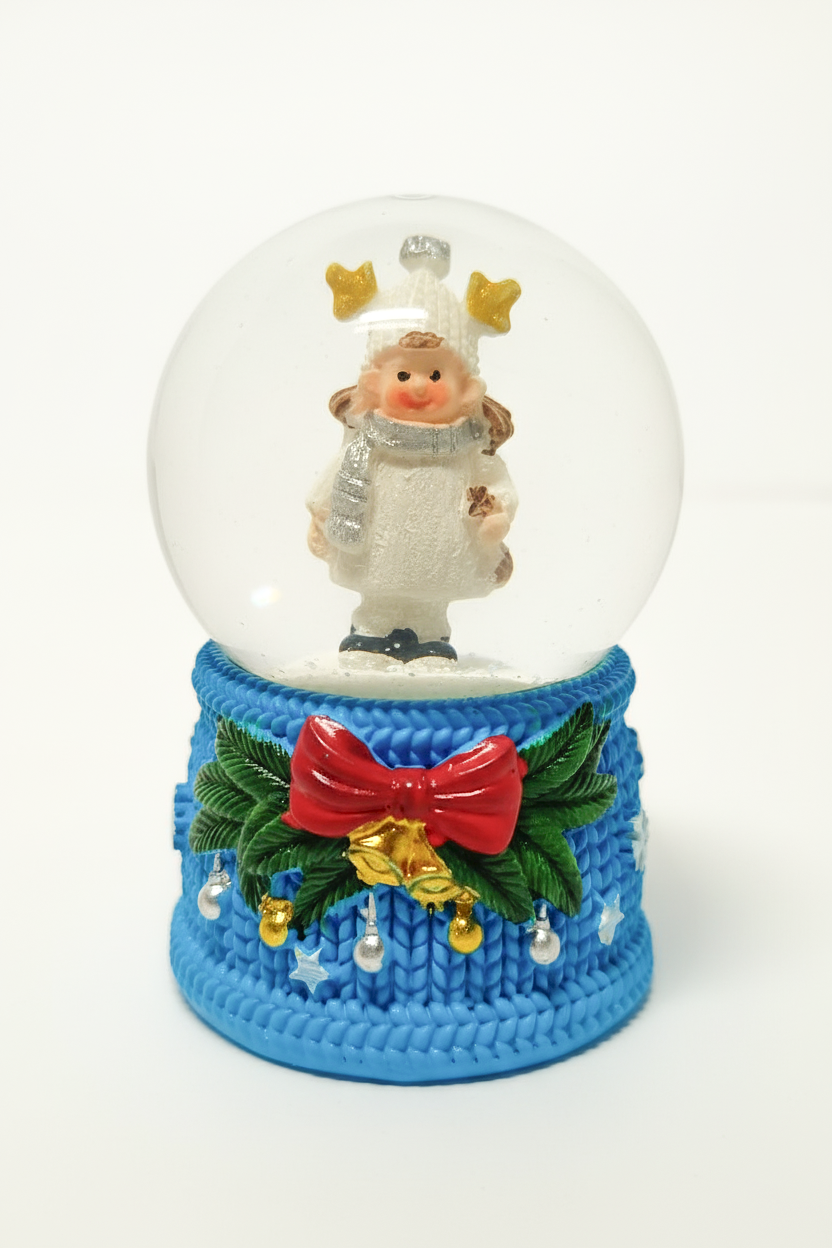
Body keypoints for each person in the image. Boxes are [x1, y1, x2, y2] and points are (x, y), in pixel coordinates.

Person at [307, 236, 520, 662]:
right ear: (374, 383)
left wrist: (495, 514)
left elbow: (496, 485)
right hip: (375, 551)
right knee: (378, 589)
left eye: (436, 374)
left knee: (431, 595)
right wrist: (321, 512)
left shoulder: (469, 449)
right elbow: (333, 479)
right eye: (403, 375)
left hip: (443, 551)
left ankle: (430, 637)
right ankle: (370, 632)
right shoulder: (366, 445)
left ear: (467, 390)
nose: (420, 386)